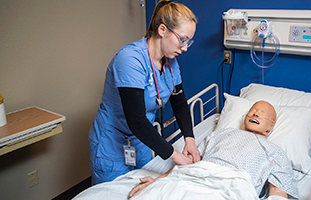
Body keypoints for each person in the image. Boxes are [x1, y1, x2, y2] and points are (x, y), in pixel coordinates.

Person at [88, 0, 200, 185]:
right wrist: (174, 155)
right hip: (112, 142)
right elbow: (136, 120)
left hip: (140, 141)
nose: (185, 47)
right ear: (162, 29)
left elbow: (179, 104)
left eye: (189, 41)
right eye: (182, 39)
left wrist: (189, 139)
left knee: (144, 190)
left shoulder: (170, 63)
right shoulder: (130, 59)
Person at [128, 101, 299, 199]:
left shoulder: (275, 151)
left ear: (270, 127)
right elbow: (192, 162)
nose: (254, 114)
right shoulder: (221, 133)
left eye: (261, 113)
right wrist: (161, 180)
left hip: (234, 185)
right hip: (196, 176)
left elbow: (278, 192)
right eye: (252, 111)